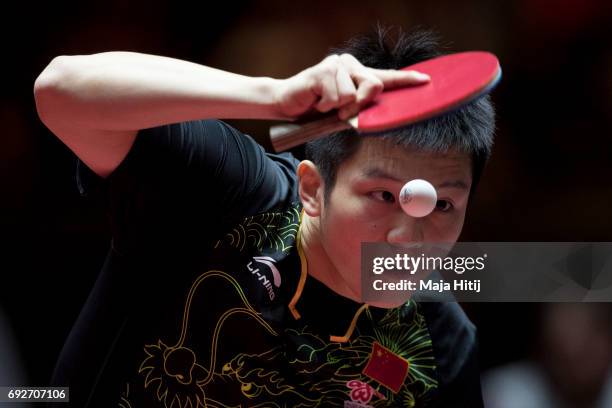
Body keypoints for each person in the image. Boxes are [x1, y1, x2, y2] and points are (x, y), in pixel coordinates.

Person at [34, 27, 494, 407]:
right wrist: (271, 97)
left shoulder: (438, 343)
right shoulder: (232, 193)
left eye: (443, 205)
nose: (406, 239)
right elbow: (59, 91)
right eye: (382, 195)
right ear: (313, 188)